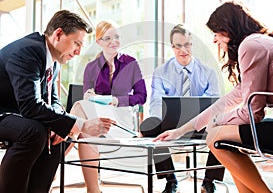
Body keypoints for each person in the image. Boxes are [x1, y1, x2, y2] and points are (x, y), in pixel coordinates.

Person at [155, 1, 273, 193]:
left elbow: (253, 114)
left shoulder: (250, 45)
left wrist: (216, 122)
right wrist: (181, 130)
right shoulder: (259, 42)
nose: (214, 40)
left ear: (228, 28)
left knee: (216, 136)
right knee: (223, 139)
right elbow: (229, 101)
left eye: (216, 33)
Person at [0, 10, 116, 193]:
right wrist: (82, 124)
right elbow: (30, 105)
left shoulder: (52, 61)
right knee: (35, 131)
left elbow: (53, 100)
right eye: (76, 43)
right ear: (58, 34)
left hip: (17, 116)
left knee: (59, 133)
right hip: (3, 113)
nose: (78, 52)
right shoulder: (28, 51)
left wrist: (64, 126)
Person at [140, 24, 223, 193]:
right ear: (172, 47)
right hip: (170, 126)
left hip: (202, 126)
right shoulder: (161, 72)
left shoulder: (208, 72)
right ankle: (170, 180)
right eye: (178, 45)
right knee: (149, 125)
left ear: (192, 45)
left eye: (187, 44)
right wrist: (159, 120)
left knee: (223, 128)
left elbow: (215, 106)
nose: (183, 50)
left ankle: (209, 181)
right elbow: (156, 103)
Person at [70, 20, 147, 193]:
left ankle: (59, 150)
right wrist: (91, 97)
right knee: (85, 127)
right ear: (99, 42)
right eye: (107, 38)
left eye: (117, 37)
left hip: (121, 120)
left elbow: (142, 97)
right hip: (97, 119)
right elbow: (87, 96)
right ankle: (93, 189)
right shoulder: (91, 67)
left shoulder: (131, 64)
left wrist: (115, 100)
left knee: (79, 110)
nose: (114, 41)